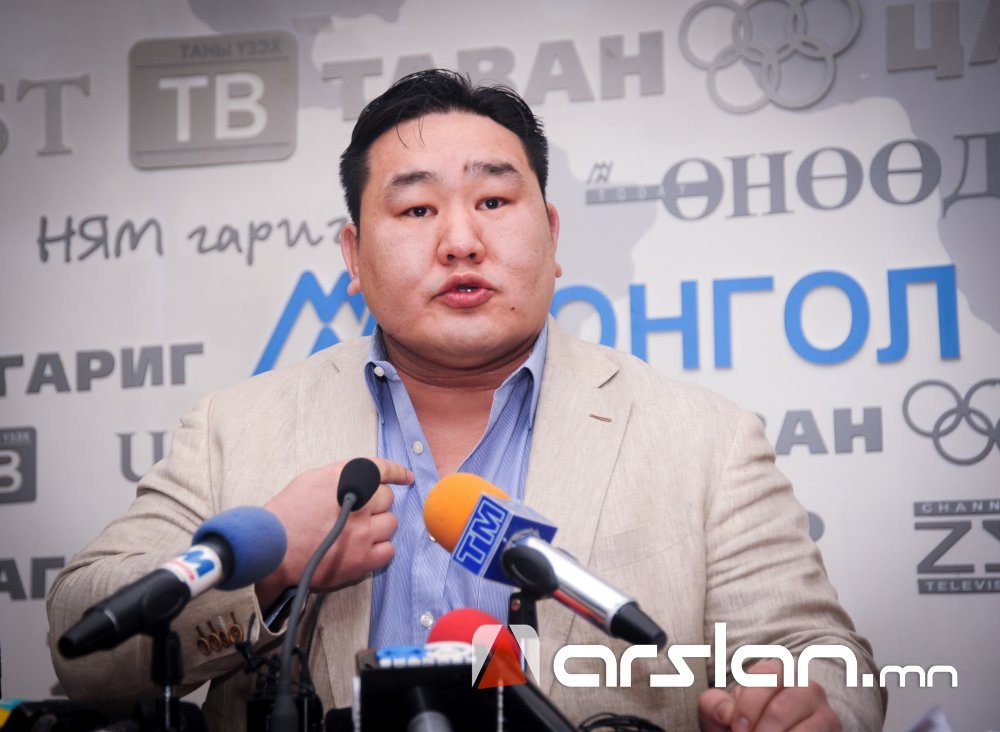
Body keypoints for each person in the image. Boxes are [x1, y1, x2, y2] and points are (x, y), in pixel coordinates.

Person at [48, 69, 886, 731]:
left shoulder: (704, 439)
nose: (460, 240)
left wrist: (803, 703)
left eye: (493, 201)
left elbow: (823, 657)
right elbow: (82, 651)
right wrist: (270, 574)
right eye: (416, 208)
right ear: (353, 256)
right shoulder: (235, 428)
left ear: (552, 234)